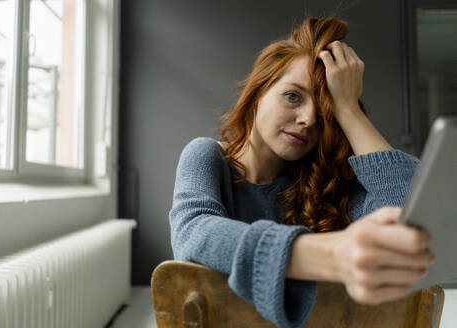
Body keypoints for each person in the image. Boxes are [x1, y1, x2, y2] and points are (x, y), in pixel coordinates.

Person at [168, 16, 434, 328]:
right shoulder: (207, 156)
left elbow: (416, 221)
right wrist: (331, 256)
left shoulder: (324, 187)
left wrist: (348, 110)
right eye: (293, 96)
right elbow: (194, 234)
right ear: (257, 95)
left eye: (324, 112)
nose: (308, 118)